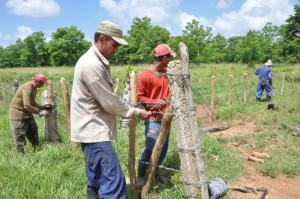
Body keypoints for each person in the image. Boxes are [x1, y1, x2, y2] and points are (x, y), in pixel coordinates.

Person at [70, 21, 151, 199]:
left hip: (90, 131)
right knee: (113, 181)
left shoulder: (94, 60)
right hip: (94, 132)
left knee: (96, 180)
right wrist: (137, 112)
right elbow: (109, 102)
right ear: (102, 39)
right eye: (115, 45)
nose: (116, 50)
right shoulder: (91, 64)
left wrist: (132, 108)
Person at [136, 44, 176, 187]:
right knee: (150, 146)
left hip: (166, 118)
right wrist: (156, 102)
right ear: (164, 58)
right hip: (153, 118)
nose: (171, 60)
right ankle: (141, 174)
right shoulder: (145, 75)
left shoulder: (167, 73)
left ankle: (156, 172)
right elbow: (140, 98)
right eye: (170, 57)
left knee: (163, 147)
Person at [9, 73, 50, 155]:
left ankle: (37, 150)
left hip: (27, 113)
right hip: (17, 114)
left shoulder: (34, 88)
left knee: (33, 130)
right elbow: (27, 105)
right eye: (42, 83)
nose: (43, 85)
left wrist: (42, 107)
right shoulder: (28, 87)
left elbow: (32, 102)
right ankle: (21, 156)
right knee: (19, 135)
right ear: (38, 81)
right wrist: (40, 112)